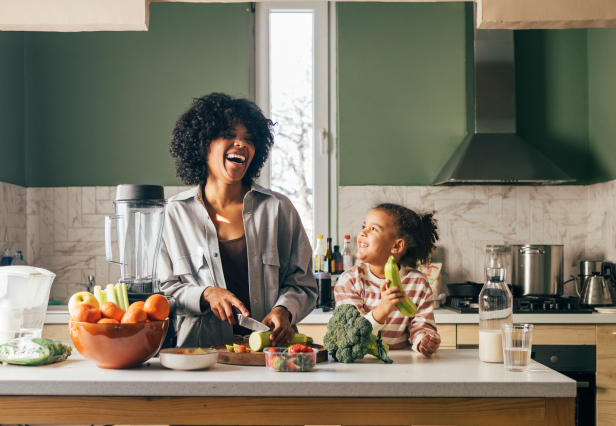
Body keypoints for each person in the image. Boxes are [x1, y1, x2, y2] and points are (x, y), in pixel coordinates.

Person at [159, 93, 317, 348]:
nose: (241, 144)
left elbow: (303, 284)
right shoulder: (173, 214)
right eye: (229, 135)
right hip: (201, 359)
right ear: (203, 144)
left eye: (249, 139)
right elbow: (162, 293)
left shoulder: (278, 209)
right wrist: (205, 294)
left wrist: (284, 311)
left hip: (271, 357)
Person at [334, 203, 441, 356]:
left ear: (397, 246)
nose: (363, 232)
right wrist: (384, 308)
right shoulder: (349, 281)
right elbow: (351, 335)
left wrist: (423, 340)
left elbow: (422, 326)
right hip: (362, 362)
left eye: (373, 229)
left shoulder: (418, 284)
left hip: (402, 364)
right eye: (364, 226)